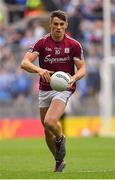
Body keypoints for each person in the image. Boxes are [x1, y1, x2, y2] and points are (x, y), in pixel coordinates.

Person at [20, 10, 86, 172]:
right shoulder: (41, 43)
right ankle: (59, 161)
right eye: (55, 24)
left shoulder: (73, 45)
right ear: (50, 25)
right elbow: (24, 63)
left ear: (66, 26)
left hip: (64, 88)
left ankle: (61, 137)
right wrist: (39, 70)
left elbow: (82, 69)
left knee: (50, 121)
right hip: (45, 89)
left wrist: (74, 78)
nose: (58, 27)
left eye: (61, 24)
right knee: (47, 130)